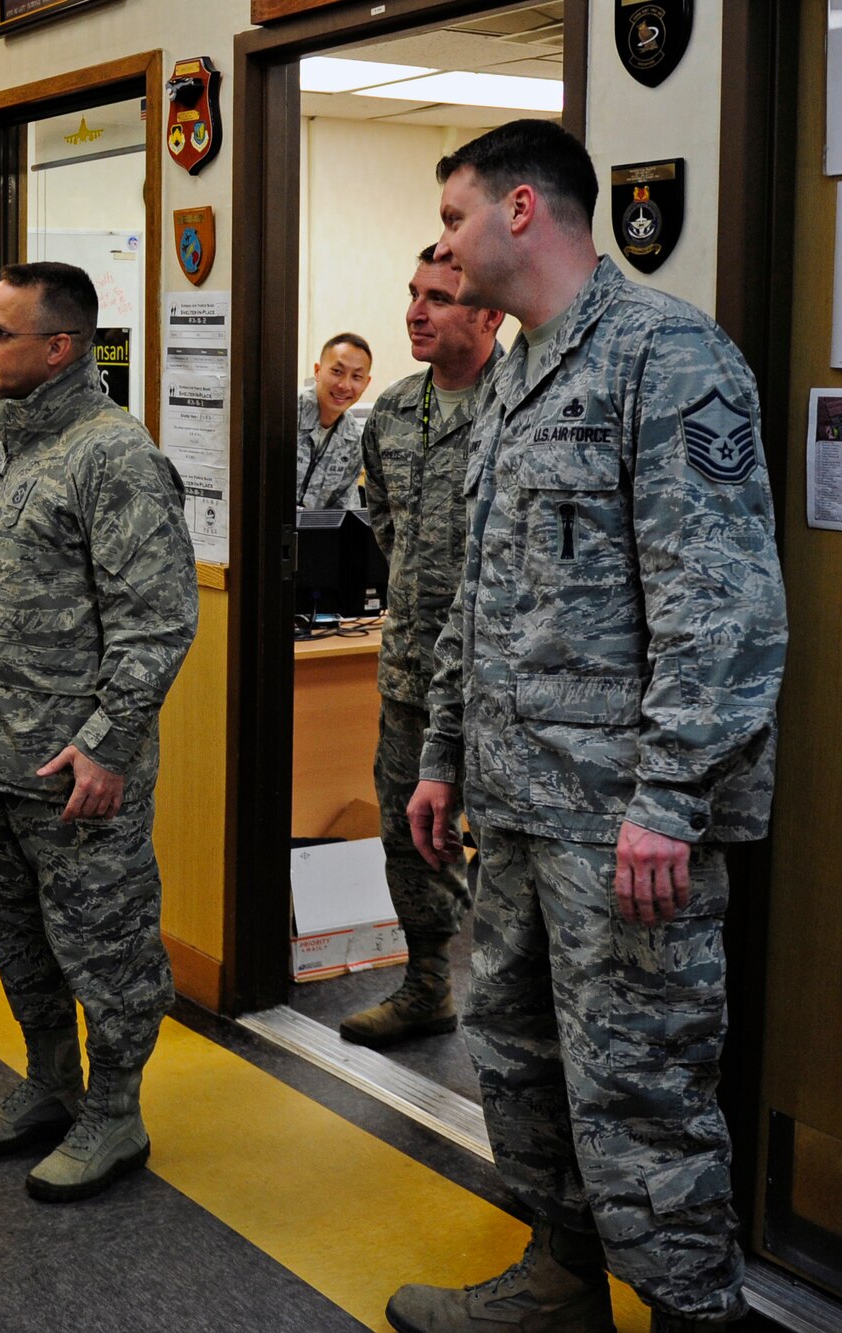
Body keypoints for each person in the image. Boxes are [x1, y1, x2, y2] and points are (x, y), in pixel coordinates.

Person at [390, 120, 786, 1333]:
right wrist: (441, 754)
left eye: (453, 218)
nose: (443, 248)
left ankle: (687, 1314)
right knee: (515, 1059)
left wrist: (669, 797)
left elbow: (723, 608)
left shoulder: (665, 357)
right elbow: (476, 590)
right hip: (512, 808)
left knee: (643, 1096)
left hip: (621, 830)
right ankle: (560, 1279)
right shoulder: (510, 372)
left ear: (519, 211)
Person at [0, 261, 198, 1203]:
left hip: (74, 768)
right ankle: (53, 1082)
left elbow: (158, 619)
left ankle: (116, 1112)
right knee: (14, 931)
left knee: (107, 945)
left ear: (59, 348)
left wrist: (108, 743)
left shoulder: (114, 456)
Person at [339, 246, 502, 1049]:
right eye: (413, 294)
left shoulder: (522, 405)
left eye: (440, 297)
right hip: (412, 669)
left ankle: (516, 1015)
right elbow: (388, 534)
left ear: (489, 313)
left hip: (502, 679)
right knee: (411, 834)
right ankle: (428, 983)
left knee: (505, 848)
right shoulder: (394, 413)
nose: (416, 311)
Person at [296, 332, 373, 509]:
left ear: (366, 383)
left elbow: (343, 509)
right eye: (337, 372)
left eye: (356, 377)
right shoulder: (284, 414)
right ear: (317, 370)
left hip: (316, 534)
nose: (345, 385)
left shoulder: (353, 438)